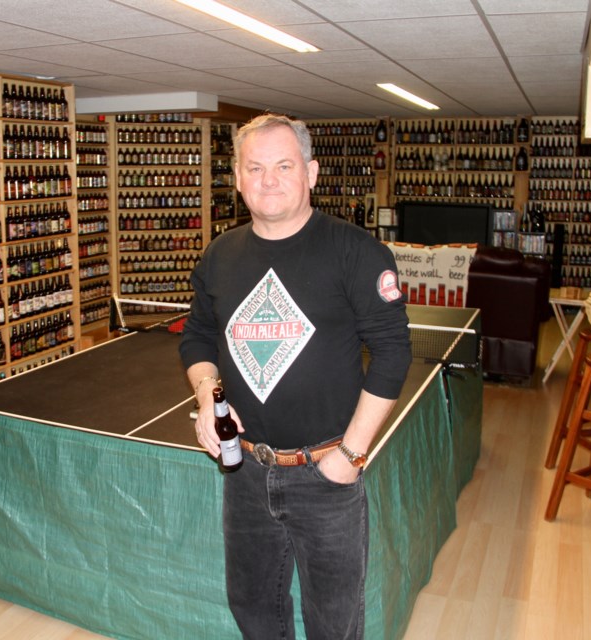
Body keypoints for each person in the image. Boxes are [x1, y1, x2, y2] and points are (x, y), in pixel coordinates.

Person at [179, 113, 412, 639]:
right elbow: (197, 337)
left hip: (326, 472)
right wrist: (209, 399)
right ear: (236, 178)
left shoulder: (356, 252)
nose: (268, 180)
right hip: (245, 471)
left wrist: (349, 458)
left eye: (283, 165)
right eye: (254, 167)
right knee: (254, 610)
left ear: (311, 172)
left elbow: (394, 352)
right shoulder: (220, 255)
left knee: (334, 623)